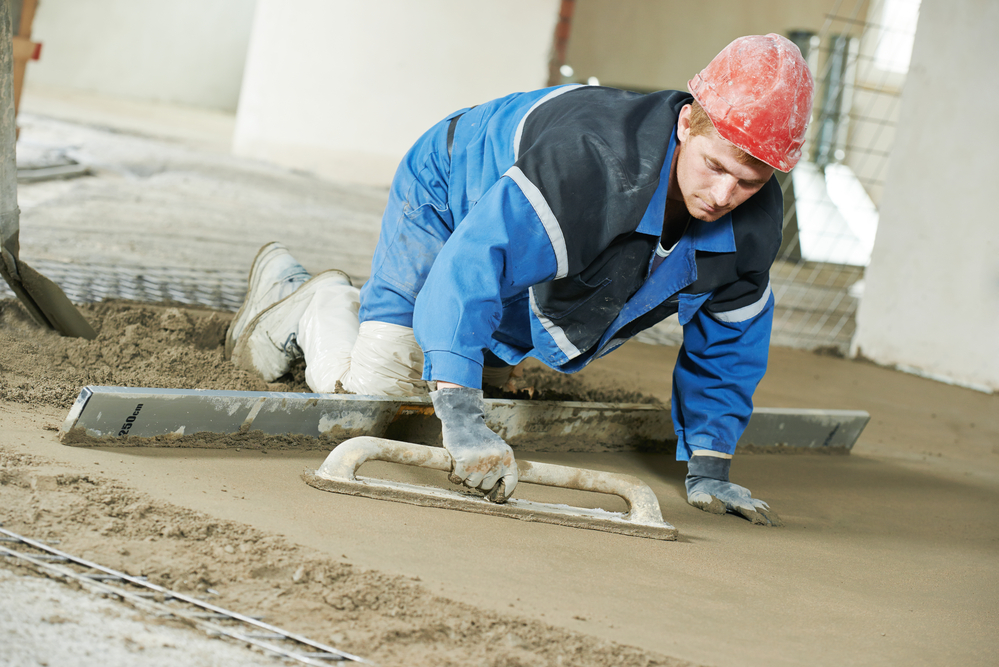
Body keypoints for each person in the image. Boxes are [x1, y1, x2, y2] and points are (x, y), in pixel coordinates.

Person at [226, 34, 814, 526]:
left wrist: (711, 465)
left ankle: (384, 320)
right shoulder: (588, 160)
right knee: (384, 393)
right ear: (687, 122)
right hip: (454, 187)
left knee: (477, 360)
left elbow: (730, 345)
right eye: (714, 167)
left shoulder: (751, 229)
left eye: (749, 183)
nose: (722, 197)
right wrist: (460, 415)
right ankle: (312, 302)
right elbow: (475, 263)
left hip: (534, 235)